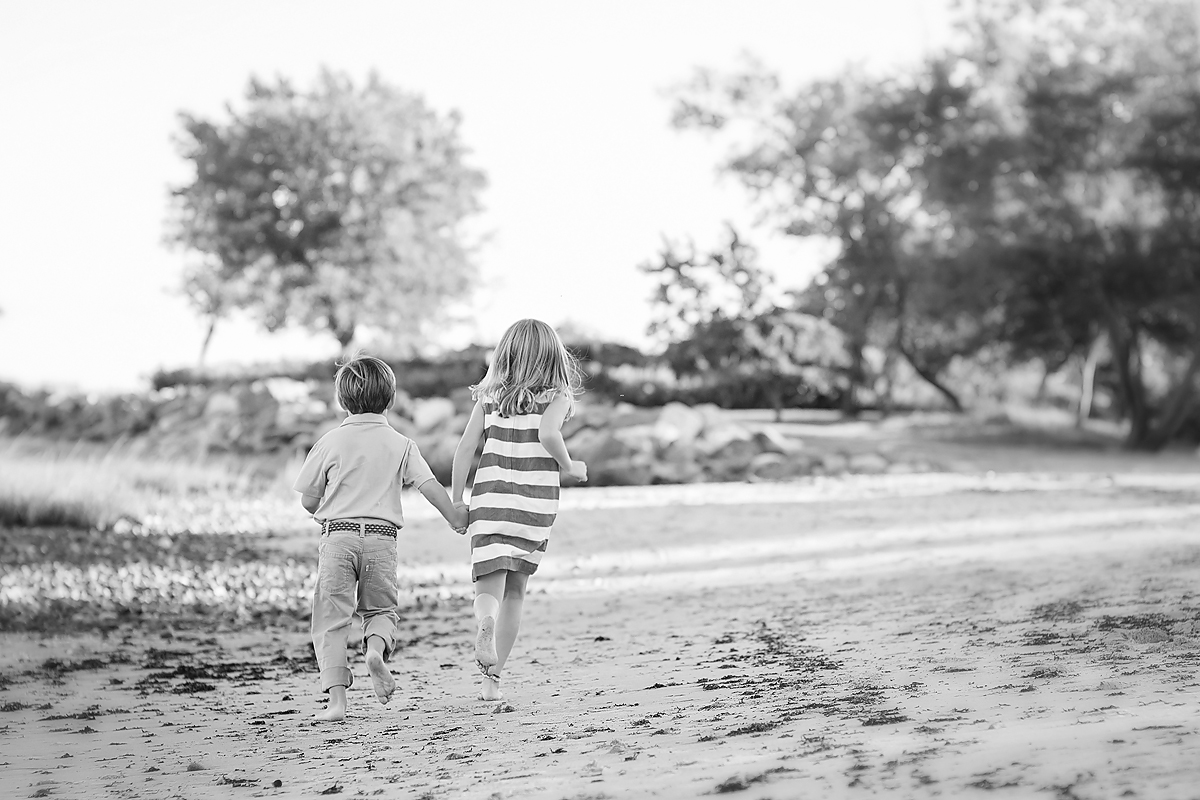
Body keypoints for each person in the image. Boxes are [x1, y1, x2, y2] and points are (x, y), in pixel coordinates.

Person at [294, 352, 468, 722]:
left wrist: (327, 508)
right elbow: (428, 485)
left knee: (331, 620)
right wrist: (455, 516)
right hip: (381, 539)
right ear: (390, 399)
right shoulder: (401, 443)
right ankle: (374, 651)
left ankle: (337, 703)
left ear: (342, 400)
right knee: (381, 610)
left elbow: (310, 501)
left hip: (337, 538)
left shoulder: (329, 442)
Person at [451, 319, 588, 702]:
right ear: (553, 358)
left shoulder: (489, 396)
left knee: (488, 584)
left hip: (490, 500)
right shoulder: (556, 397)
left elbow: (464, 449)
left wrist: (458, 500)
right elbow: (548, 434)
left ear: (506, 354)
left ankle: (485, 621)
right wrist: (569, 466)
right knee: (516, 592)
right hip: (533, 506)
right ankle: (491, 682)